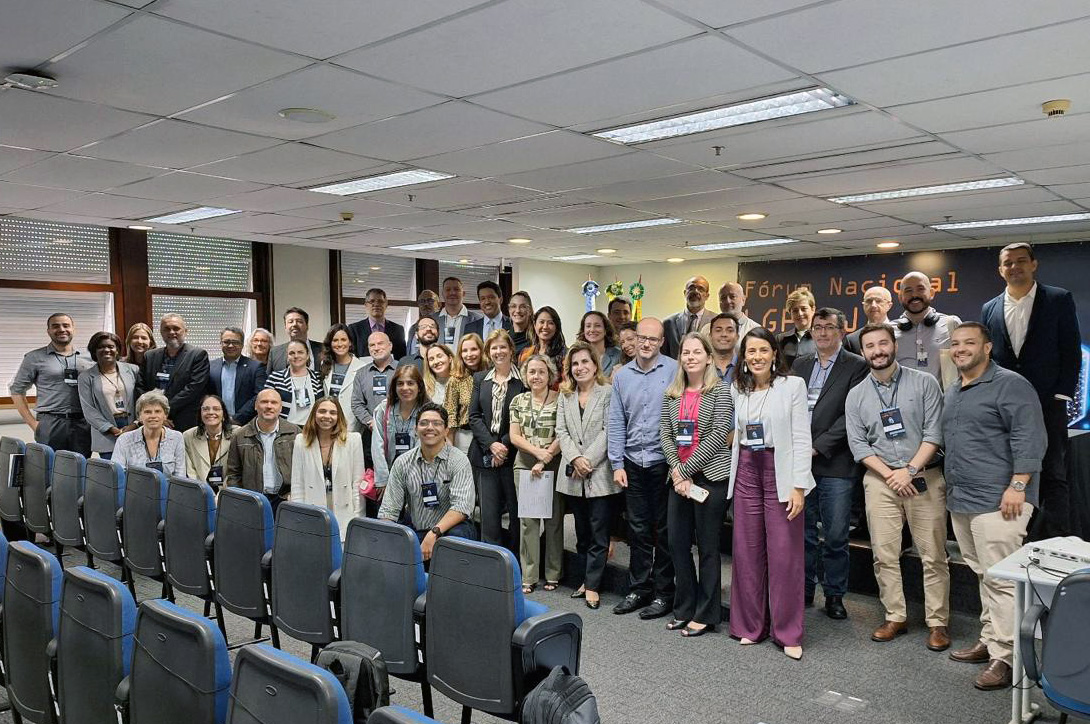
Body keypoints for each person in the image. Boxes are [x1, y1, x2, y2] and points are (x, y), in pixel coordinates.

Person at [941, 322, 1047, 690]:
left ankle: (1007, 656)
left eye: (969, 343)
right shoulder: (955, 389)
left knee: (1001, 579)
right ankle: (990, 639)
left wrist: (1018, 486)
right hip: (962, 498)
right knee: (983, 573)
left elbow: (1030, 436)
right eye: (955, 344)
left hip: (1000, 500)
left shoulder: (1011, 385)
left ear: (987, 347)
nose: (961, 349)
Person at [845, 323, 950, 651]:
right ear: (863, 352)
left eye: (882, 344)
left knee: (933, 555)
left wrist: (908, 470)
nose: (877, 351)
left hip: (924, 478)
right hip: (880, 481)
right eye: (870, 346)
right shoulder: (857, 394)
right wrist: (891, 475)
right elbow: (859, 446)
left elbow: (935, 433)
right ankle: (895, 616)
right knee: (884, 554)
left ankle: (938, 622)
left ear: (893, 345)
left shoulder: (925, 383)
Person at [981, 242, 1081, 539]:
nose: (1015, 267)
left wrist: (1062, 393)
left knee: (1052, 471)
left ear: (1033, 264)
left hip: (1048, 402)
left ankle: (1055, 539)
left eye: (1021, 261)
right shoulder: (990, 308)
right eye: (1008, 263)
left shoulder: (1058, 299)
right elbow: (989, 358)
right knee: (1009, 468)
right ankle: (1016, 534)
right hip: (1005, 407)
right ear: (1000, 270)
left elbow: (1070, 349)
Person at [728, 328, 814, 660]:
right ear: (744, 356)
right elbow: (733, 435)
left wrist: (798, 485)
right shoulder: (738, 388)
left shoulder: (792, 386)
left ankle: (787, 632)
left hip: (780, 470)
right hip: (747, 471)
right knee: (747, 553)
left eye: (763, 350)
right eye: (751, 351)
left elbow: (801, 437)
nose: (757, 357)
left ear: (775, 354)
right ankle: (750, 626)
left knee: (785, 555)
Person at [790, 308, 868, 619]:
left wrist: (817, 447)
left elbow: (852, 415)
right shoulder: (800, 364)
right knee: (804, 533)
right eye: (817, 327)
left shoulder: (857, 366)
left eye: (829, 327)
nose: (822, 333)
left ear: (842, 330)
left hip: (836, 464)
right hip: (800, 464)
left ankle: (834, 595)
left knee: (835, 535)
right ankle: (805, 588)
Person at [660, 333, 734, 637]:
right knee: (677, 544)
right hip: (679, 480)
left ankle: (706, 613)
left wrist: (685, 470)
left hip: (711, 478)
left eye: (696, 352)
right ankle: (685, 607)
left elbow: (719, 435)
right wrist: (678, 472)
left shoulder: (721, 391)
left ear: (708, 357)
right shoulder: (672, 392)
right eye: (685, 352)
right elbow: (665, 433)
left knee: (707, 548)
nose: (690, 357)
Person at [608, 317, 678, 619]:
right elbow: (616, 420)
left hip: (665, 463)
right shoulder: (622, 376)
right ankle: (639, 588)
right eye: (641, 338)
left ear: (661, 342)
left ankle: (664, 593)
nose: (646, 343)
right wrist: (616, 462)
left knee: (663, 531)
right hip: (633, 463)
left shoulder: (675, 370)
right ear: (634, 340)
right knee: (637, 530)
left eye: (653, 339)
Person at [556, 343, 618, 611]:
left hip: (600, 473)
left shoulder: (607, 393)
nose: (580, 367)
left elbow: (609, 430)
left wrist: (588, 460)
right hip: (572, 473)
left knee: (598, 532)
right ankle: (585, 579)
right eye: (575, 364)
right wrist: (575, 459)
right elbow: (562, 431)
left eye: (585, 362)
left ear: (595, 366)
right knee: (581, 533)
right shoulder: (565, 394)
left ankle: (593, 586)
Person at [379, 403, 477, 560]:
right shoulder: (402, 462)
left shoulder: (459, 460)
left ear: (446, 430)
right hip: (417, 528)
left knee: (457, 537)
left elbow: (462, 507)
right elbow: (389, 510)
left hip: (451, 530)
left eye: (436, 423)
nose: (429, 427)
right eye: (423, 423)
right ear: (415, 429)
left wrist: (434, 533)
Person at [509, 354, 564, 594]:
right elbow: (514, 436)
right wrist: (537, 454)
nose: (536, 376)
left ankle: (553, 573)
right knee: (528, 523)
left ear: (549, 374)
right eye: (532, 372)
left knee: (554, 522)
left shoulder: (561, 399)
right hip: (525, 465)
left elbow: (563, 433)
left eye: (541, 371)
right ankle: (529, 576)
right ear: (525, 375)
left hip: (554, 464)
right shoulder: (518, 401)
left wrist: (547, 457)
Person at [469, 330, 526, 550]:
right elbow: (473, 416)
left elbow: (521, 416)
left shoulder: (523, 380)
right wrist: (491, 446)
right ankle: (492, 564)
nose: (498, 351)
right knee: (489, 515)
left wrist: (503, 445)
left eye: (503, 347)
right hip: (484, 454)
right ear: (488, 352)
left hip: (513, 455)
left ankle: (515, 564)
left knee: (516, 514)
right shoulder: (479, 379)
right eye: (494, 348)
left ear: (511, 350)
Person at [11, 313, 94, 457]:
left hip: (83, 423)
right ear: (48, 331)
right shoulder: (34, 357)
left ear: (73, 329)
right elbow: (17, 391)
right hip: (50, 423)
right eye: (55, 326)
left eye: (66, 325)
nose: (61, 329)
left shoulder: (88, 358)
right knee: (51, 469)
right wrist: (33, 424)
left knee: (82, 468)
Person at [291, 397, 364, 541]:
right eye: (322, 411)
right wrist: (299, 519)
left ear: (339, 417)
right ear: (314, 415)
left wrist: (358, 519)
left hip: (345, 514)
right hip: (312, 514)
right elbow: (298, 485)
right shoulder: (301, 440)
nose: (327, 416)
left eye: (332, 412)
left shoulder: (353, 440)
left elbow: (357, 484)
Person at [226, 388, 298, 514]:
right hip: (252, 500)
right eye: (264, 402)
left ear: (281, 408)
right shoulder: (239, 435)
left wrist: (296, 494)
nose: (269, 406)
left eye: (274, 402)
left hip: (286, 499)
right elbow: (233, 474)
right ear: (255, 406)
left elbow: (302, 470)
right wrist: (241, 498)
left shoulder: (295, 433)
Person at [139, 314, 210, 432]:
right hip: (152, 421)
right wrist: (154, 413)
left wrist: (162, 412)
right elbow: (141, 386)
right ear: (161, 332)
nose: (172, 332)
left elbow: (193, 389)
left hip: (184, 420)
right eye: (167, 329)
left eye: (176, 328)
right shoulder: (150, 356)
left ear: (185, 331)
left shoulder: (198, 355)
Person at [78, 331, 139, 460]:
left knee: (136, 473)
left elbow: (143, 400)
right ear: (94, 351)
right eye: (101, 347)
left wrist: (135, 424)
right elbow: (88, 410)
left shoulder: (133, 370)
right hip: (107, 432)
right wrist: (111, 429)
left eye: (111, 346)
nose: (106, 350)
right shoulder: (86, 377)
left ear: (117, 350)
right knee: (114, 473)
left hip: (134, 427)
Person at [893, 271, 961, 388]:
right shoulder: (889, 331)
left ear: (931, 293)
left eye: (920, 289)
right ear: (900, 297)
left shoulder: (952, 324)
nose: (914, 295)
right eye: (908, 290)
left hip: (944, 403)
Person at [371, 365, 428, 491]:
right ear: (394, 387)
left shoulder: (427, 411)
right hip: (389, 479)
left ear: (419, 387)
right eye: (400, 384)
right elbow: (377, 445)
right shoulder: (383, 409)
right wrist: (383, 480)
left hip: (419, 479)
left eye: (410, 383)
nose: (405, 388)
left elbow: (426, 449)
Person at [112, 390, 187, 476]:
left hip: (168, 489)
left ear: (165, 415)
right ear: (139, 416)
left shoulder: (177, 437)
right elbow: (117, 476)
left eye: (158, 411)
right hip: (134, 488)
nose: (153, 416)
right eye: (147, 412)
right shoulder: (124, 439)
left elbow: (180, 475)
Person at [350, 331, 397, 462]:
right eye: (372, 345)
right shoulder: (361, 373)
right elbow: (356, 403)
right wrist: (371, 422)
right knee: (372, 475)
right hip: (371, 433)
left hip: (399, 431)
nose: (376, 348)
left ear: (390, 346)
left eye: (380, 343)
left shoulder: (402, 369)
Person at [208, 326, 266, 425]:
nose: (230, 345)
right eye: (226, 342)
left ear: (242, 344)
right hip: (215, 422)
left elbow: (259, 396)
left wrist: (237, 419)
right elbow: (206, 395)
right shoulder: (210, 366)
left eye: (235, 342)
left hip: (246, 423)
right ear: (220, 343)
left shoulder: (256, 367)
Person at [263, 340, 323, 425]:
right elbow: (265, 404)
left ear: (307, 355)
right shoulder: (275, 378)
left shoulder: (318, 378)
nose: (296, 356)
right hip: (286, 429)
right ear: (287, 356)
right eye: (292, 353)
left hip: (313, 429)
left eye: (300, 352)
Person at [320, 323, 367, 427]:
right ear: (330, 344)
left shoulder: (362, 368)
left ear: (350, 342)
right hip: (328, 422)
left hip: (351, 424)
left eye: (343, 339)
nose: (339, 344)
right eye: (335, 340)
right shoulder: (325, 365)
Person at [445, 333, 486, 454]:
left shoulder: (490, 375)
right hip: (465, 436)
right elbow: (450, 414)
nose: (469, 354)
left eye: (474, 349)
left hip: (488, 435)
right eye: (465, 351)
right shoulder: (455, 380)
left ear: (481, 350)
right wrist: (450, 448)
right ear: (460, 354)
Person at [183, 394, 233, 489]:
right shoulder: (188, 436)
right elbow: (191, 472)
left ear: (224, 414)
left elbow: (234, 473)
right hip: (200, 493)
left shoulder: (236, 434)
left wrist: (222, 495)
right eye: (205, 409)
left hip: (228, 494)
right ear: (200, 413)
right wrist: (205, 494)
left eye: (216, 409)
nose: (210, 412)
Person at [347, 287, 407, 361]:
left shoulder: (398, 329)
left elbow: (402, 357)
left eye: (380, 301)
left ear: (386, 304)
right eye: (372, 301)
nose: (376, 304)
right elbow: (350, 356)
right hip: (363, 371)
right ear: (366, 305)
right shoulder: (354, 329)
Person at [663, 276, 714, 358]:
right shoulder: (668, 323)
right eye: (691, 288)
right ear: (685, 293)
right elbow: (663, 355)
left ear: (707, 296)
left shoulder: (715, 322)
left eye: (701, 289)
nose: (695, 292)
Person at [520, 306, 567, 385]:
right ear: (535, 325)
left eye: (550, 323)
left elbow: (567, 385)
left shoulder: (565, 355)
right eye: (541, 322)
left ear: (556, 327)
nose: (545, 327)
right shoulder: (525, 354)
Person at [267, 307, 323, 373]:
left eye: (299, 321)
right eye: (290, 322)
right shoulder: (275, 353)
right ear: (285, 327)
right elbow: (269, 380)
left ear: (307, 326)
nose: (294, 324)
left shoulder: (323, 349)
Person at [775, 287, 816, 370]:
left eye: (804, 309)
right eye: (795, 310)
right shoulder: (781, 339)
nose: (800, 313)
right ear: (790, 313)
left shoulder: (822, 338)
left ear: (813, 309)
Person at [845, 286, 893, 354]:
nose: (873, 305)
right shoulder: (852, 340)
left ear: (889, 305)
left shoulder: (900, 334)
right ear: (863, 305)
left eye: (878, 301)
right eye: (869, 301)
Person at [436, 276, 483, 347]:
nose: (452, 293)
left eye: (456, 289)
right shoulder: (432, 320)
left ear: (463, 293)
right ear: (442, 294)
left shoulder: (478, 319)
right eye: (448, 289)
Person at [575, 311, 622, 376]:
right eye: (588, 326)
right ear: (583, 330)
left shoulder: (618, 355)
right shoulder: (576, 355)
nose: (592, 330)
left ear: (605, 330)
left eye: (597, 326)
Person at [707, 312, 740, 384]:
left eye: (730, 330)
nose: (724, 334)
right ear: (710, 336)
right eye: (718, 330)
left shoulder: (745, 366)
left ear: (737, 337)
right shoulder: (701, 367)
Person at [406, 289, 440, 357]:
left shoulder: (443, 325)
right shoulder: (413, 328)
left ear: (439, 305)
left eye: (430, 301)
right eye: (422, 301)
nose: (426, 304)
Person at [507, 290, 535, 355]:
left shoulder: (537, 338)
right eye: (513, 306)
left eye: (522, 306)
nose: (518, 311)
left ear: (530, 310)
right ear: (509, 310)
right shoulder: (504, 337)